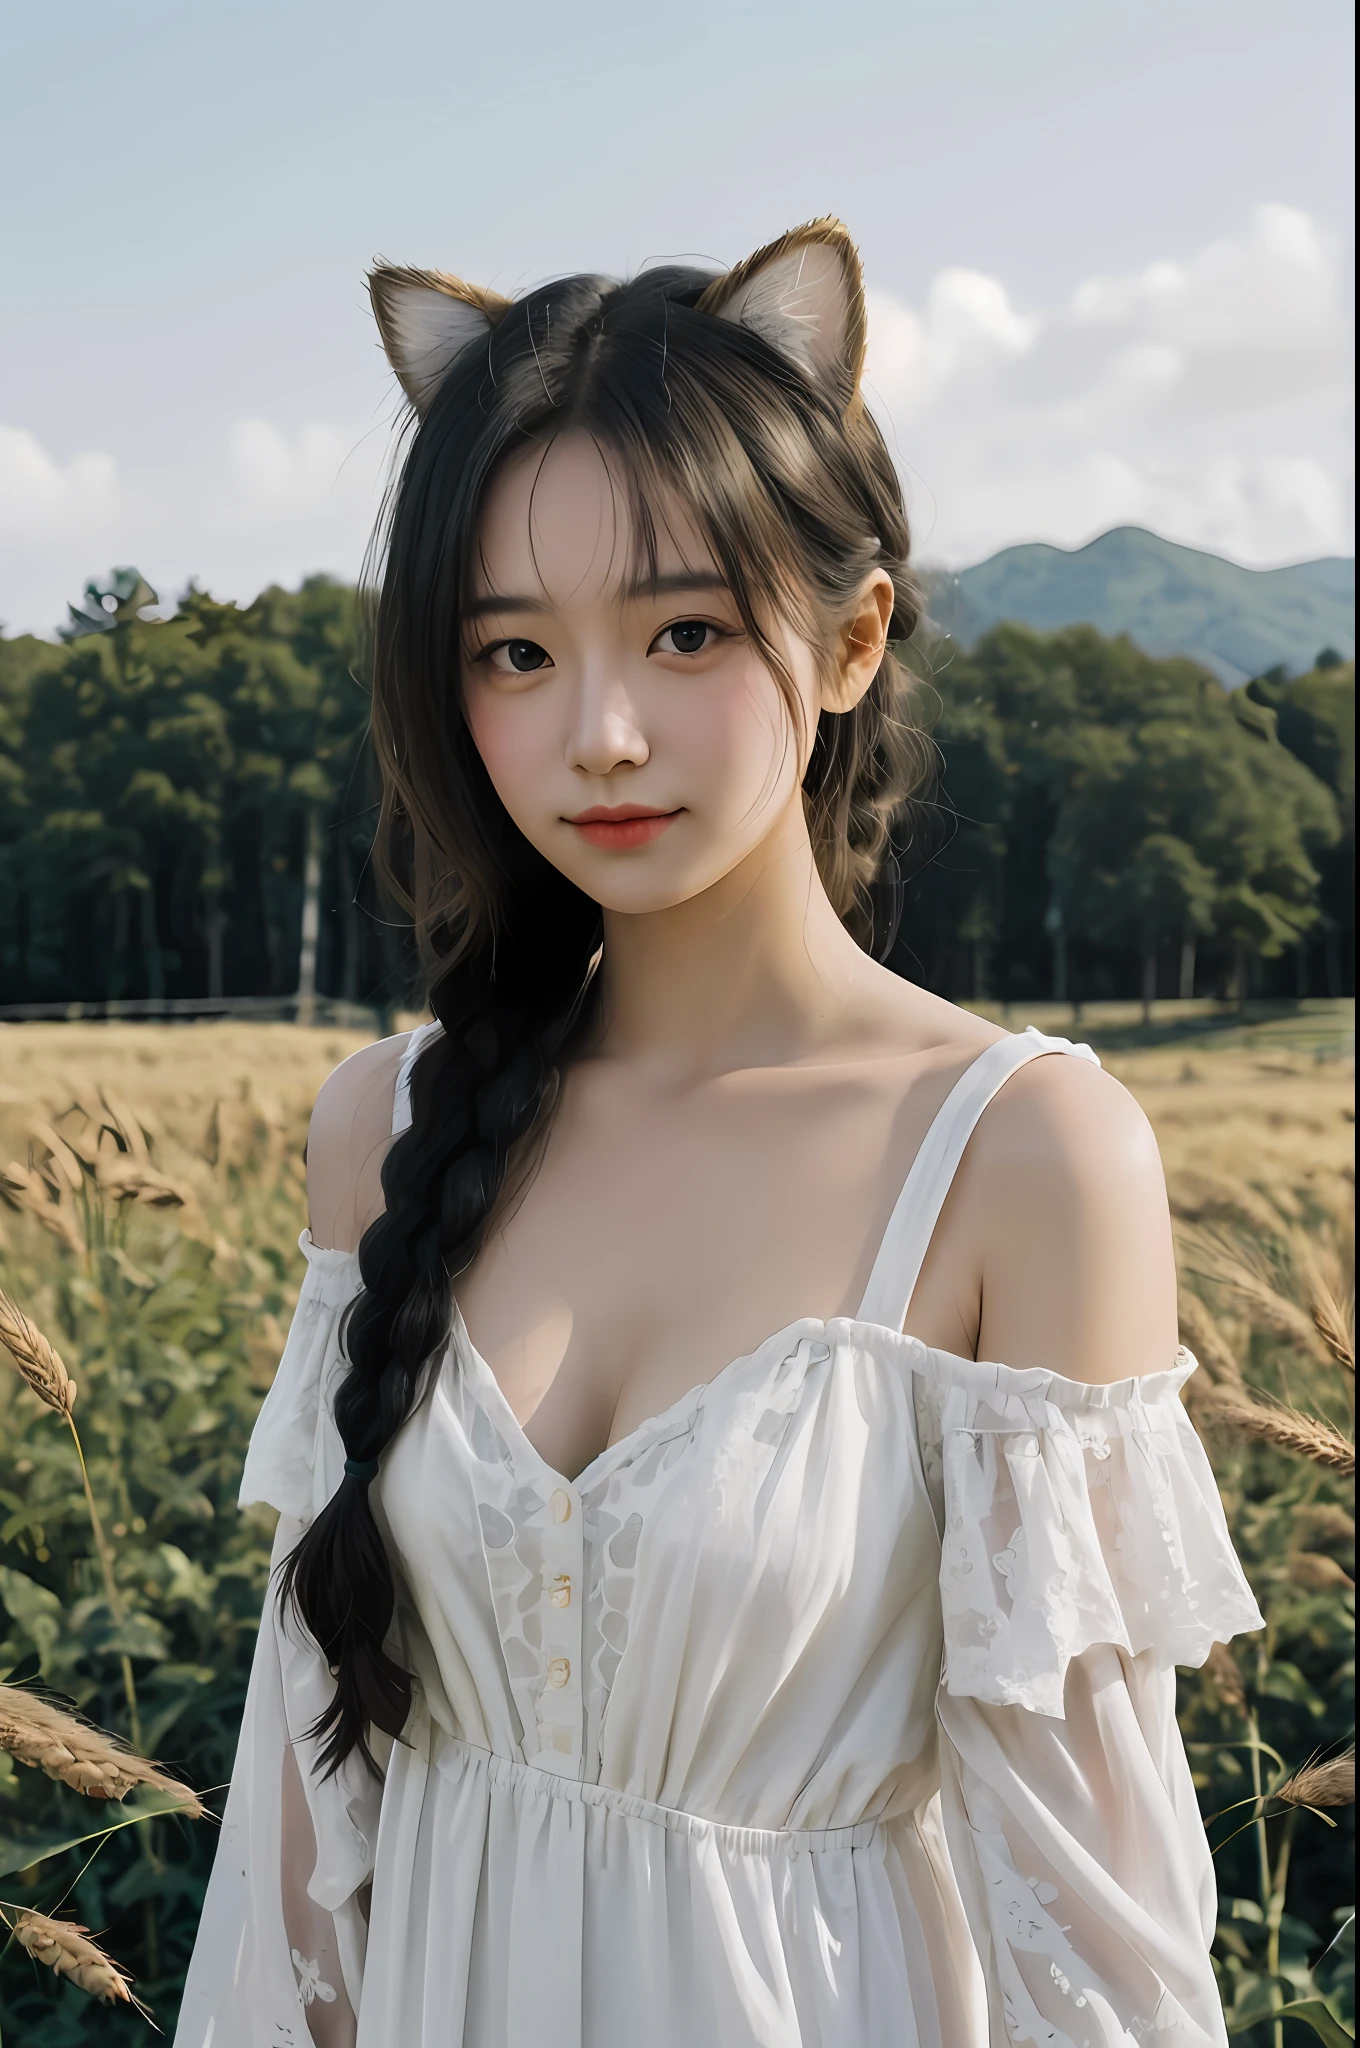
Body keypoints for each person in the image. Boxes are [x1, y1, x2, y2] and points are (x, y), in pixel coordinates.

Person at [173, 219, 1264, 2048]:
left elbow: (1095, 1926)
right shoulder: (386, 1127)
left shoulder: (1021, 1157)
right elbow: (307, 1820)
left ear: (850, 640)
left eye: (682, 632)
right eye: (512, 653)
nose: (597, 732)